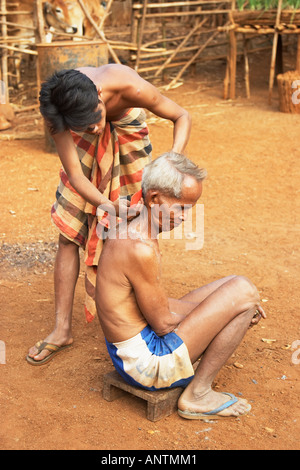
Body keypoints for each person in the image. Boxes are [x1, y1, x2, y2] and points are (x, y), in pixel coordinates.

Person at [27, 64, 191, 366]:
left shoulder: (129, 86)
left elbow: (182, 116)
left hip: (130, 143)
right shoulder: (59, 111)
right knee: (69, 235)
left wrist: (171, 159)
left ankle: (143, 320)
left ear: (99, 96)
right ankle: (61, 329)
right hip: (85, 155)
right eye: (83, 127)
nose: (94, 129)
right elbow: (76, 176)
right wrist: (106, 203)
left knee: (134, 231)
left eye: (94, 120)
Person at [96, 151, 266, 419]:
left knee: (231, 287)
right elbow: (163, 323)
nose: (186, 217)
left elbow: (155, 309)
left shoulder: (135, 229)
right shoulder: (140, 249)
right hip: (147, 366)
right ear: (154, 198)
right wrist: (223, 314)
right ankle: (198, 394)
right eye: (183, 207)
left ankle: (233, 308)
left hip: (127, 354)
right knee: (243, 291)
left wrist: (221, 311)